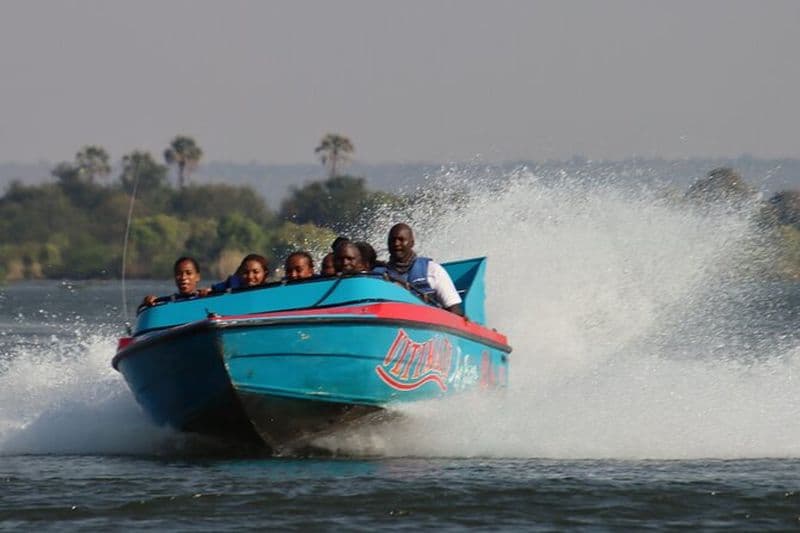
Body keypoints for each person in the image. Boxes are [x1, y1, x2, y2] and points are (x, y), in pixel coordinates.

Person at [381, 223, 464, 316]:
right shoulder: (379, 275)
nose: (396, 244)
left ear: (412, 243)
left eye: (401, 240)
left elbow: (454, 310)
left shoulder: (432, 270)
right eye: (392, 240)